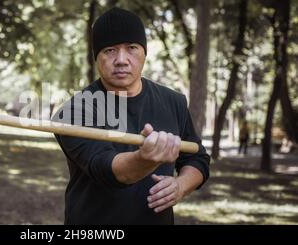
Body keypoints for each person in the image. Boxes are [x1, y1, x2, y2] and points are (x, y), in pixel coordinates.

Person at [51, 7, 210, 225]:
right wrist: (146, 158)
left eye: (132, 48)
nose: (122, 60)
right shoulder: (74, 112)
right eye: (109, 50)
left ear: (145, 52)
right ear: (96, 57)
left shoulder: (174, 101)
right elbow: (109, 171)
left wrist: (181, 185)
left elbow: (197, 158)